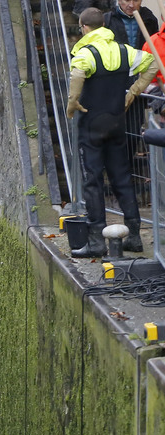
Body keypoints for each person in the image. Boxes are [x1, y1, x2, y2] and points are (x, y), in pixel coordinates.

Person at [67, 7, 157, 257]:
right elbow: (151, 62)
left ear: (84, 27)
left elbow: (77, 73)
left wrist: (72, 102)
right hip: (118, 122)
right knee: (122, 177)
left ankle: (96, 241)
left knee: (93, 181)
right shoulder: (123, 50)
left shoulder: (86, 53)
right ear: (103, 26)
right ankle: (135, 237)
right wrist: (134, 91)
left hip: (92, 125)